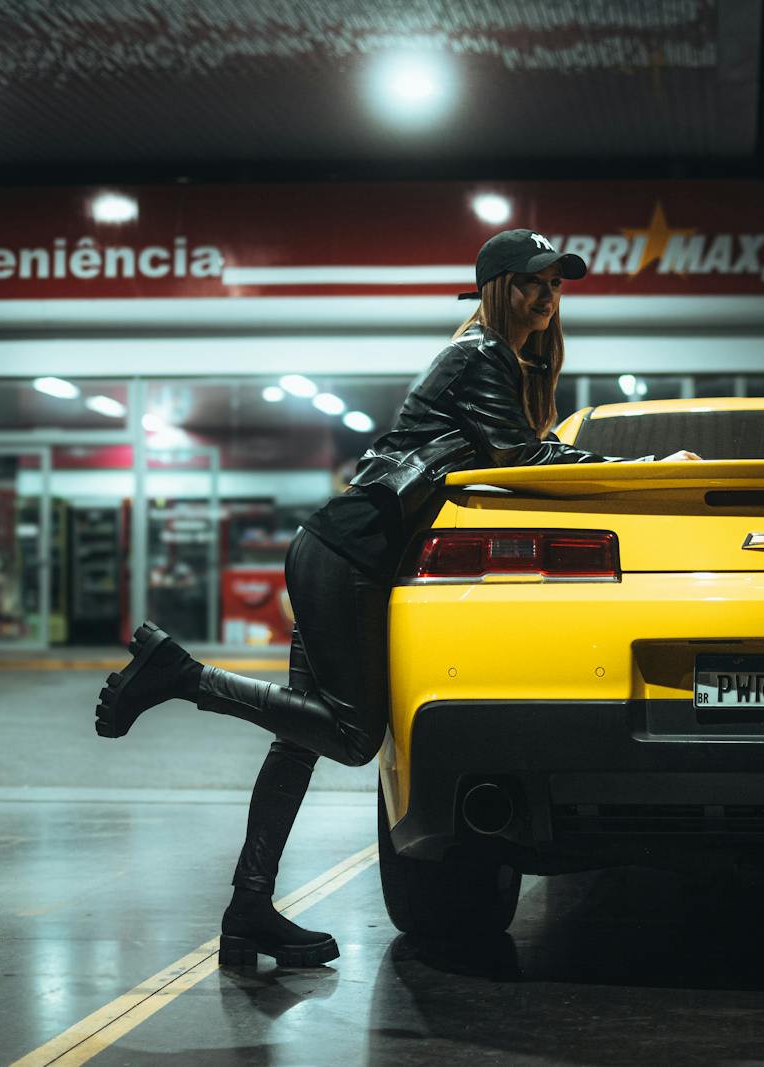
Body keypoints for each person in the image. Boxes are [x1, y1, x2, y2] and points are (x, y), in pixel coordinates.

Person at [93, 228, 700, 967]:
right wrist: (643, 470)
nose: (548, 294)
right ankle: (181, 675)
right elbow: (523, 458)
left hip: (343, 548)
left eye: (556, 283)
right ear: (497, 288)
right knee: (352, 736)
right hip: (351, 551)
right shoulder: (482, 356)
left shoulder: (494, 361)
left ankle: (248, 906)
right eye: (534, 280)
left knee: (299, 740)